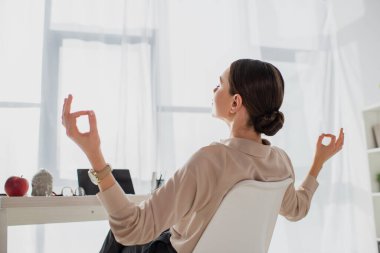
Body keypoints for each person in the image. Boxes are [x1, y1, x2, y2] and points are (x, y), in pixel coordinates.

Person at [61, 59, 344, 253]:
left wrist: (93, 153)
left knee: (117, 234)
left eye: (219, 84)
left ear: (236, 102)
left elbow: (132, 229)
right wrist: (318, 161)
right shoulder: (280, 162)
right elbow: (298, 209)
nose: (213, 89)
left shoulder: (210, 159)